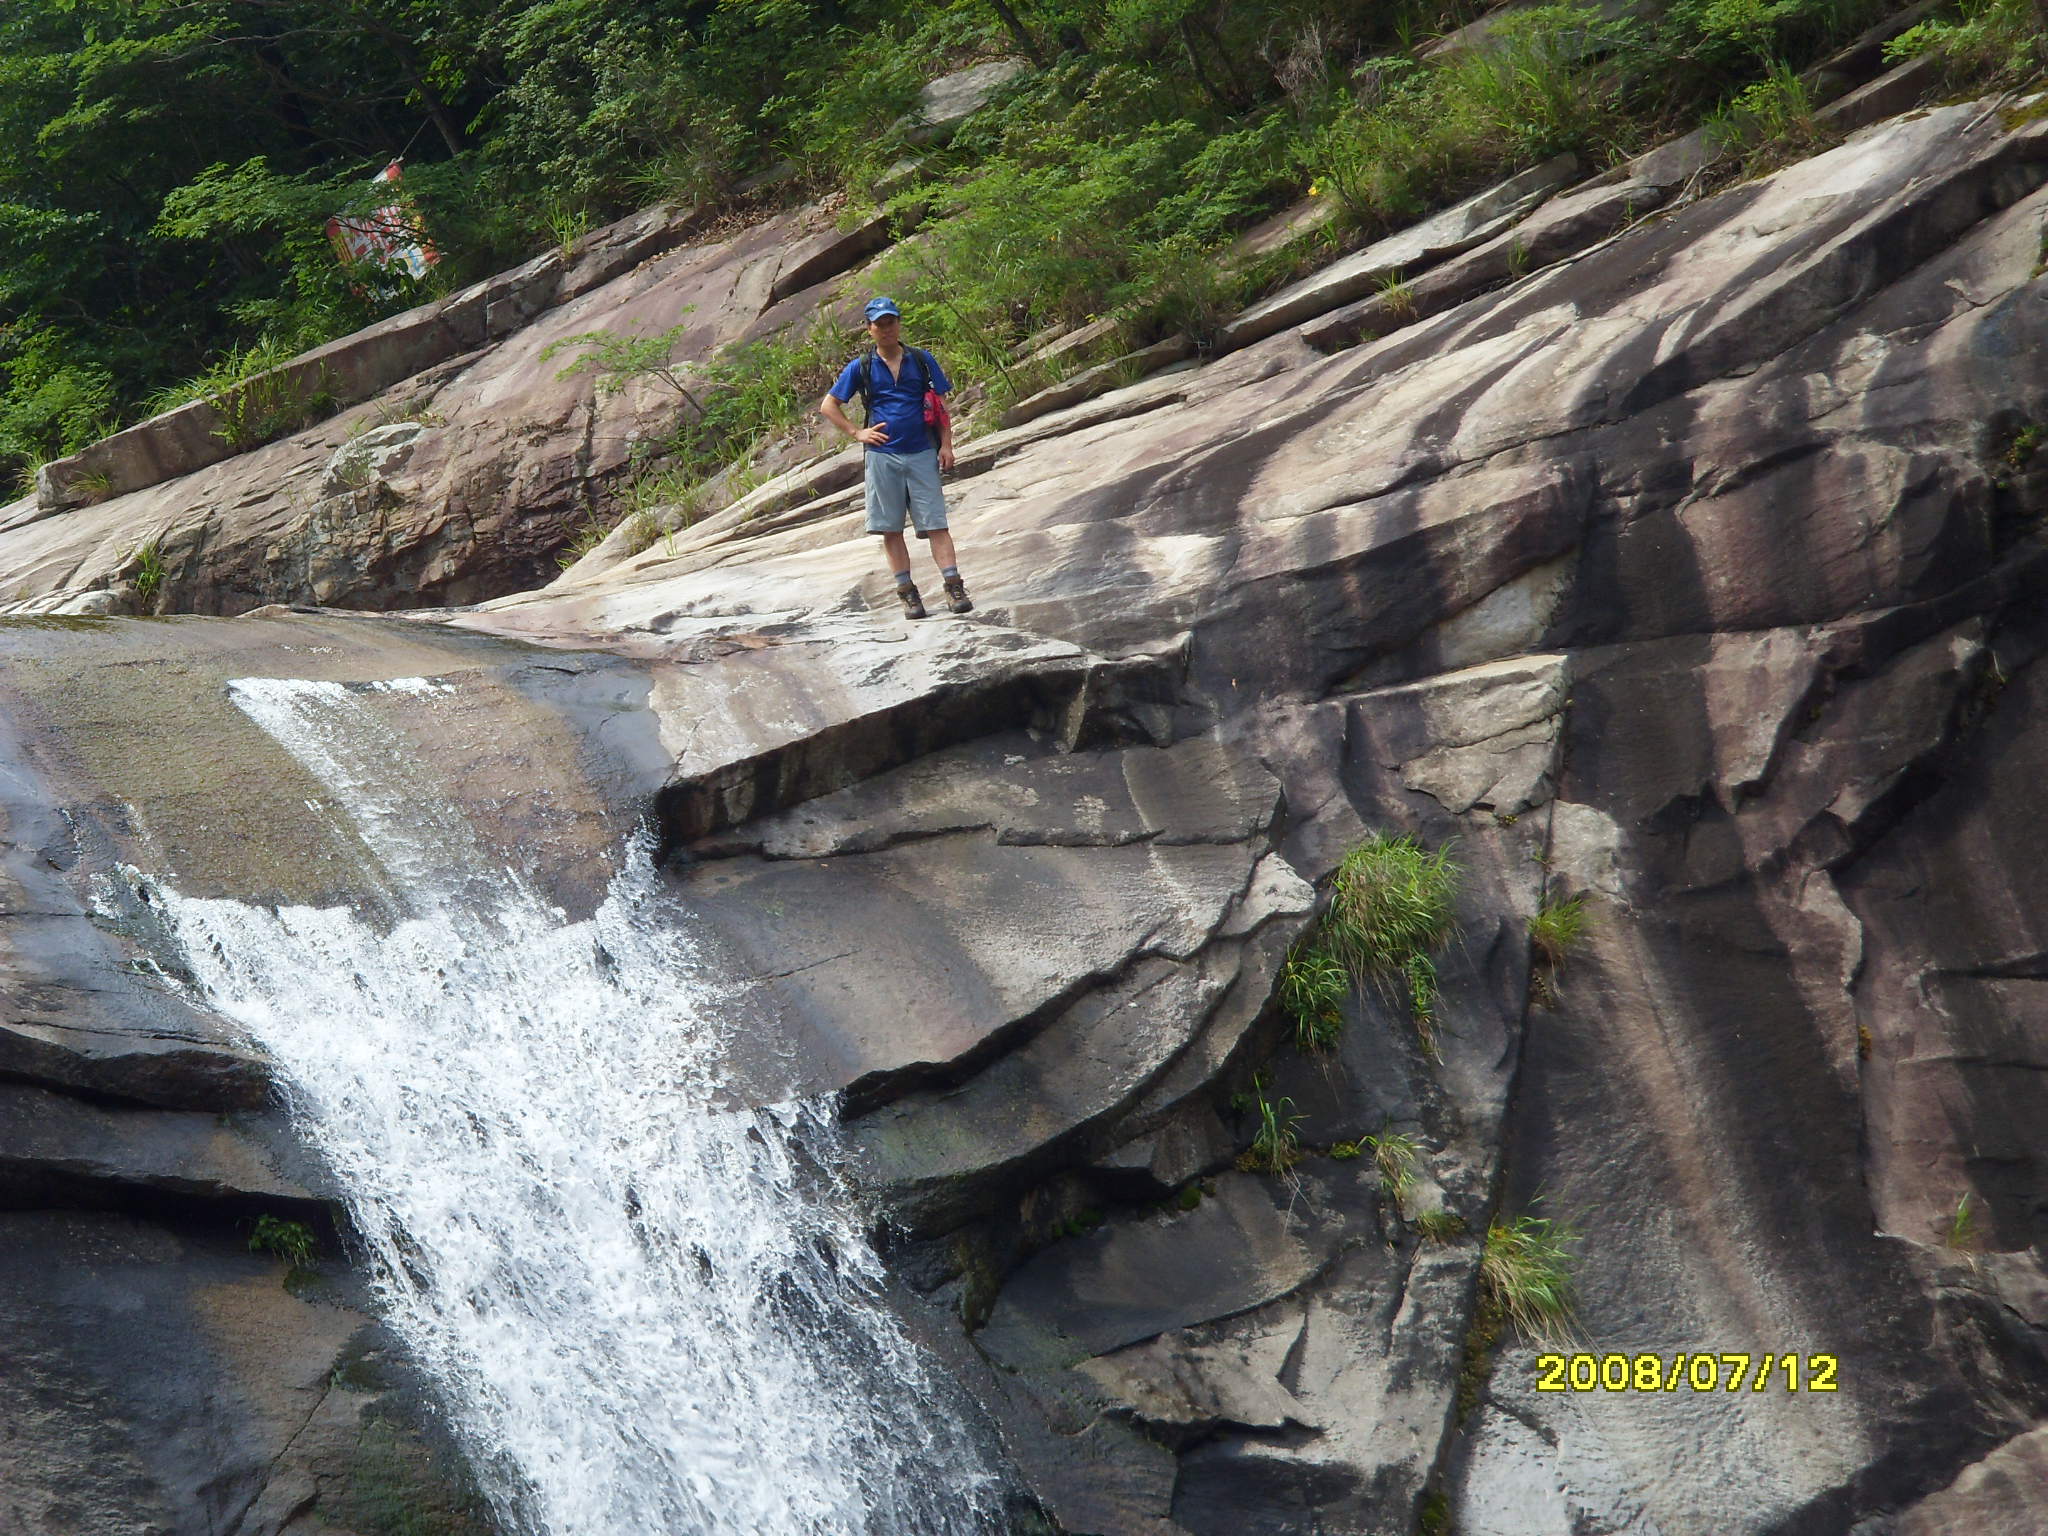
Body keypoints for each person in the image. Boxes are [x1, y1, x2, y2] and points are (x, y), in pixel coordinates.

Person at [818, 297, 971, 619]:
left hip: (921, 451)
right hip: (882, 455)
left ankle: (953, 585)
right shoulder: (861, 366)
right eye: (879, 324)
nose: (886, 329)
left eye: (891, 322)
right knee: (891, 528)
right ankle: (907, 593)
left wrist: (946, 445)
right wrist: (856, 433)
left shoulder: (922, 360)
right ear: (869, 328)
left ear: (898, 323)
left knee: (936, 524)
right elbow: (829, 405)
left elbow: (940, 405)